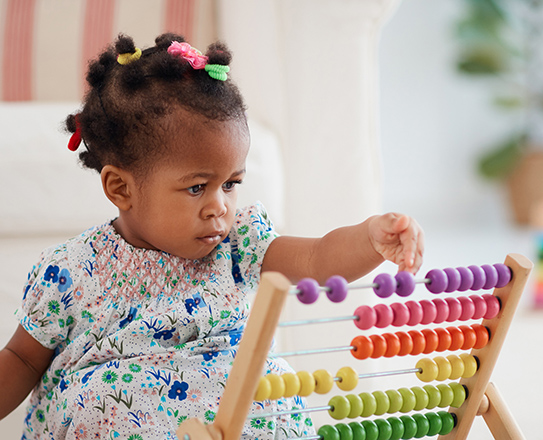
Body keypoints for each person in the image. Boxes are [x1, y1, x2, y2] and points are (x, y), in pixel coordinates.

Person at [0, 33, 424, 439]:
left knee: (270, 391)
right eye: (197, 187)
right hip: (122, 413)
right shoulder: (71, 270)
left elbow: (318, 259)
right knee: (103, 404)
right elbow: (20, 358)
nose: (219, 205)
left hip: (230, 409)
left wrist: (370, 239)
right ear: (121, 188)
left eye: (231, 184)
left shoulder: (238, 244)